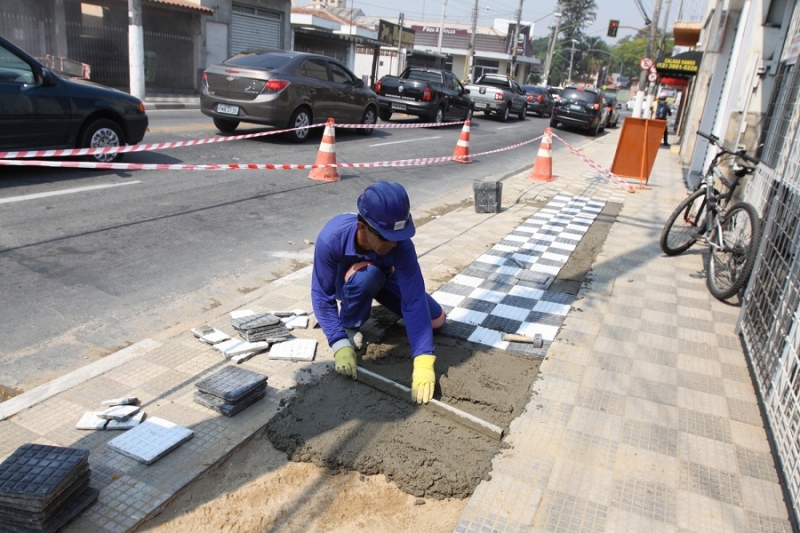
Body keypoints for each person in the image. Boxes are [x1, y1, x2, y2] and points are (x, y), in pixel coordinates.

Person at [311, 181, 446, 404]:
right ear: (362, 227)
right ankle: (350, 323)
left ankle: (373, 288)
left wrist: (423, 357)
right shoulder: (332, 238)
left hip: (383, 276)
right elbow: (321, 296)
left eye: (398, 236)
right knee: (367, 276)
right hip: (350, 280)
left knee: (436, 320)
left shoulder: (400, 244)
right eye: (385, 237)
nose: (394, 243)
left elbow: (413, 299)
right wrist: (338, 341)